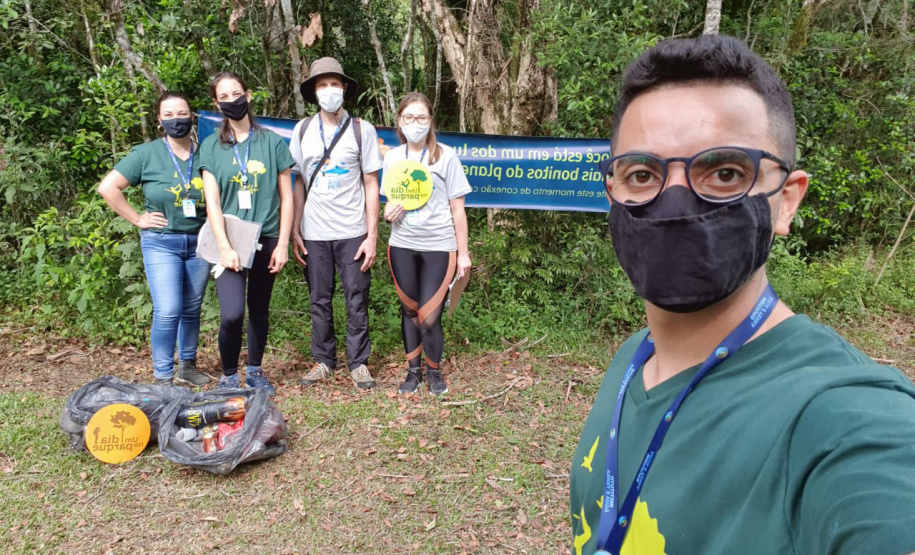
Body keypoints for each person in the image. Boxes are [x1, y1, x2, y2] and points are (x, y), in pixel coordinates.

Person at [569, 35, 915, 555]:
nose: (677, 200)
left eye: (725, 173)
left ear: (786, 201)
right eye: (642, 174)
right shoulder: (631, 361)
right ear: (613, 193)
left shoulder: (837, 417)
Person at [98, 91, 211, 387]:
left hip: (199, 243)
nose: (177, 120)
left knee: (191, 308)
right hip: (161, 241)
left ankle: (187, 364)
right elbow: (108, 187)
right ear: (160, 120)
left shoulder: (206, 152)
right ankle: (163, 376)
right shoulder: (145, 153)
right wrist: (137, 218)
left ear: (192, 116)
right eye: (170, 115)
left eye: (182, 113)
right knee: (168, 309)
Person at [199, 71, 295, 396]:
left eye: (236, 93)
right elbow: (211, 202)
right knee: (232, 313)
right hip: (229, 242)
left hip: (266, 238)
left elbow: (288, 196)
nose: (231, 101)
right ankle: (228, 376)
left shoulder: (272, 142)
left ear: (248, 95)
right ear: (216, 103)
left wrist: (282, 244)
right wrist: (225, 247)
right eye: (223, 97)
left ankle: (254, 370)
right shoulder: (211, 146)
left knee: (259, 308)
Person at [289, 57, 383, 390]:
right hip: (314, 233)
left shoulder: (362, 130)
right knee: (319, 298)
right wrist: (295, 229)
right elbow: (298, 183)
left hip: (353, 231)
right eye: (322, 85)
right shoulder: (301, 131)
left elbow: (372, 183)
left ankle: (358, 362)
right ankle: (323, 360)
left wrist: (372, 235)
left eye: (334, 84)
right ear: (314, 92)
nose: (329, 90)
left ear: (344, 88)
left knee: (357, 297)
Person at [381, 92, 471, 395]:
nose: (415, 123)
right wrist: (387, 212)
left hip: (439, 246)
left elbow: (458, 209)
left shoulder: (446, 156)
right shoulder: (392, 158)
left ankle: (434, 372)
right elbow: (389, 204)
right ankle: (413, 372)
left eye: (421, 117)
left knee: (429, 316)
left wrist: (464, 254)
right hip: (402, 244)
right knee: (409, 310)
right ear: (399, 121)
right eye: (409, 118)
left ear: (430, 121)